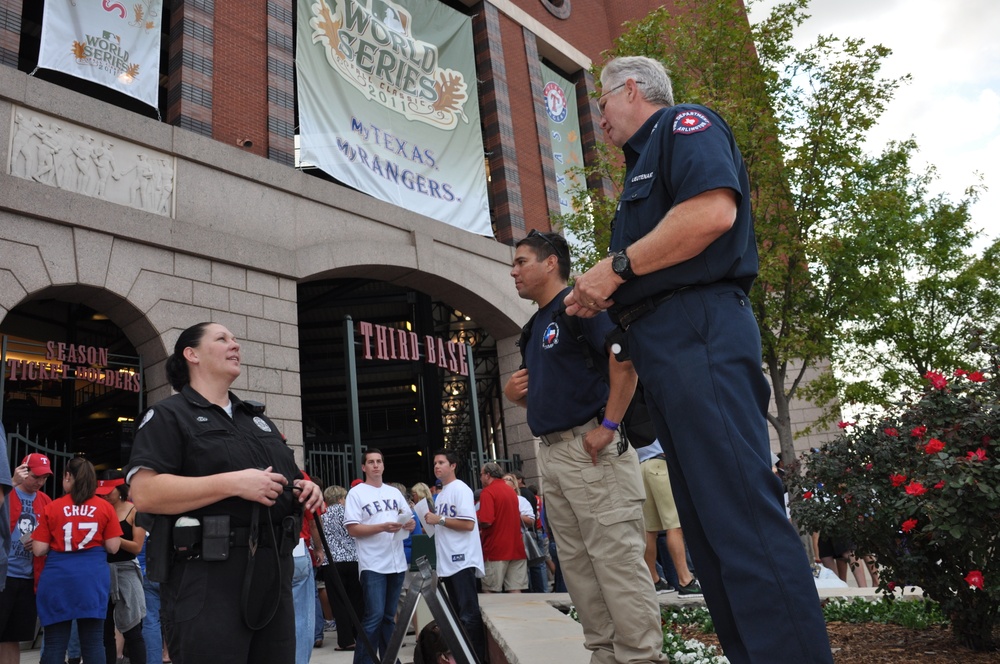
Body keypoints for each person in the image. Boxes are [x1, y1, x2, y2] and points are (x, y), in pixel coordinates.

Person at [564, 55, 833, 663]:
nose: (599, 116)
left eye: (601, 102)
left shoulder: (686, 126)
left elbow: (713, 212)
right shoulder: (644, 163)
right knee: (710, 534)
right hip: (667, 346)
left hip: (699, 332)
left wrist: (617, 267)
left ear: (631, 90)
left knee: (739, 515)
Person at [503, 230, 666, 663]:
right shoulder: (533, 327)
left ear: (550, 262)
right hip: (554, 456)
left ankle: (641, 659)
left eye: (521, 262)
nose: (513, 271)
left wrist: (609, 424)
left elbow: (623, 357)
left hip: (591, 448)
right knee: (579, 572)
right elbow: (552, 387)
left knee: (617, 565)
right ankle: (605, 655)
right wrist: (515, 394)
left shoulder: (582, 302)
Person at [125, 322, 323, 664]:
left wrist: (306, 488)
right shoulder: (169, 415)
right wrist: (233, 483)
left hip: (273, 572)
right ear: (192, 355)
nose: (235, 345)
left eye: (234, 339)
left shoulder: (257, 420)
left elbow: (288, 479)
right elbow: (144, 493)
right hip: (207, 578)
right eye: (222, 339)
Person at [33, 457, 123, 664]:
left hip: (58, 578)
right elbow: (113, 546)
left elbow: (38, 550)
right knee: (92, 642)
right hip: (92, 578)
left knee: (55, 642)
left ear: (68, 476)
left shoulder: (53, 507)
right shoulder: (105, 507)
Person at [343, 449, 415, 664]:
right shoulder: (356, 493)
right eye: (371, 462)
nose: (375, 465)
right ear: (364, 467)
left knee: (389, 617)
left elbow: (407, 519)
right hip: (372, 563)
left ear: (383, 466)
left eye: (379, 461)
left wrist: (409, 524)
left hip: (396, 562)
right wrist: (382, 527)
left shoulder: (393, 492)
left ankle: (389, 659)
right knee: (374, 616)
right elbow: (353, 529)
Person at [422, 449, 486, 662]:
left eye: (441, 462)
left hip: (462, 560)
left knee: (469, 615)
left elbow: (468, 524)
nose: (437, 466)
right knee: (459, 617)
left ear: (453, 466)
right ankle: (464, 656)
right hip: (449, 561)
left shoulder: (461, 489)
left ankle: (476, 657)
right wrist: (431, 523)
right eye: (435, 463)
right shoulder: (441, 493)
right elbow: (445, 524)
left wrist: (438, 520)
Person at [0, 453, 53, 664]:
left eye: (44, 478)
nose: (40, 482)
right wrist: (10, 483)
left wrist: (43, 544)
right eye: (36, 476)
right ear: (23, 470)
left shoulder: (46, 500)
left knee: (11, 636)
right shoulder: (7, 492)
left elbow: (53, 535)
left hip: (28, 576)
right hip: (4, 575)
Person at [637, 439, 701, 595]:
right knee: (674, 525)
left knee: (650, 530)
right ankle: (685, 580)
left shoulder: (632, 417)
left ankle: (654, 580)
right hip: (660, 465)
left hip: (640, 468)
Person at [98, 474, 147, 664]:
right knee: (104, 630)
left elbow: (137, 546)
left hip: (126, 570)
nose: (104, 496)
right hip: (102, 570)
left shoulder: (135, 511)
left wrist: (114, 539)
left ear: (120, 490)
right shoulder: (100, 509)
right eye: (100, 493)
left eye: (108, 492)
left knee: (133, 628)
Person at [320, 485, 362, 652]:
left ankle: (345, 640)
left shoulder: (322, 515)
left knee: (338, 602)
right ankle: (360, 635)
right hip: (353, 559)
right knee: (357, 600)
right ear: (340, 498)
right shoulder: (348, 512)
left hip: (332, 562)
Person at [475, 462, 527, 594]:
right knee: (515, 590)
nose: (480, 478)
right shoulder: (511, 491)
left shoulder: (488, 492)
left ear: (488, 475)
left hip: (496, 549)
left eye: (481, 474)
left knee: (490, 591)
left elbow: (486, 521)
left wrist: (474, 520)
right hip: (516, 547)